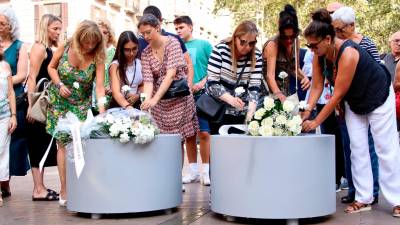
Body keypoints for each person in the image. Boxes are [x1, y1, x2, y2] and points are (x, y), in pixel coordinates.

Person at [302, 9, 400, 217]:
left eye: (314, 45)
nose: (311, 50)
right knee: (357, 148)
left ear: (328, 39)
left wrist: (315, 122)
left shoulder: (348, 52)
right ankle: (363, 198)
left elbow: (336, 95)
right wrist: (307, 110)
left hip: (377, 94)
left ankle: (397, 200)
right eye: (308, 46)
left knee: (385, 148)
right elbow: (317, 87)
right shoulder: (317, 56)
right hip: (353, 100)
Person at [47, 20, 106, 206]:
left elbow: (100, 88)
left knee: (82, 145)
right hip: (60, 103)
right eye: (86, 42)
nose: (89, 46)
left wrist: (102, 111)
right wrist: (59, 84)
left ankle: (83, 185)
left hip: (81, 105)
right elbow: (51, 67)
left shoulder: (98, 56)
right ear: (79, 38)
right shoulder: (65, 46)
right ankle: (64, 189)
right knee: (62, 145)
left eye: (93, 43)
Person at [138, 14, 199, 192]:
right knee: (163, 143)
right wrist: (148, 100)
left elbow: (172, 73)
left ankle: (175, 180)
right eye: (142, 34)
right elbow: (149, 81)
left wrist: (154, 98)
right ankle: (166, 178)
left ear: (158, 27)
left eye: (148, 32)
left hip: (179, 99)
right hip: (160, 104)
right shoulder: (146, 53)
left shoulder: (172, 42)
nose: (146, 37)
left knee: (177, 141)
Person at [331, 6, 380, 204]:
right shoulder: (337, 45)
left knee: (368, 148)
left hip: (366, 102)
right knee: (349, 148)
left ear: (352, 25)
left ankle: (373, 191)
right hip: (344, 103)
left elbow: (376, 71)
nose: (338, 33)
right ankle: (354, 191)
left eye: (341, 29)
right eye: (336, 30)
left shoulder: (367, 43)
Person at [26, 14, 61, 201]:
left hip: (45, 103)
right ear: (45, 27)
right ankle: (38, 189)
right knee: (37, 145)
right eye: (55, 28)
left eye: (59, 29)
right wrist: (31, 106)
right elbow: (32, 77)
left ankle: (41, 187)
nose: (58, 32)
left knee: (42, 143)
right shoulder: (39, 48)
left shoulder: (49, 48)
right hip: (37, 103)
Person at [174, 15, 212, 186]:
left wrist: (201, 83)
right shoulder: (175, 46)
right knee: (189, 135)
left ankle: (206, 172)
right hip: (183, 97)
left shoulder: (204, 45)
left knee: (204, 133)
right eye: (176, 29)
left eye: (181, 27)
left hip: (203, 95)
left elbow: (214, 68)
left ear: (191, 27)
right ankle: (193, 172)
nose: (178, 31)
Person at [207, 20, 262, 134]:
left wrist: (250, 117)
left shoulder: (257, 55)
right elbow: (212, 83)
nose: (247, 47)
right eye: (243, 42)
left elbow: (254, 87)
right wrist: (231, 100)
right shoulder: (220, 50)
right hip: (218, 111)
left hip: (240, 112)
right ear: (235, 37)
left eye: (251, 43)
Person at [0, 6, 30, 197]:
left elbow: (22, 74)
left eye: (2, 23)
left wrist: (4, 79)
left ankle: (5, 181)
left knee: (11, 145)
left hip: (13, 99)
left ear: (11, 25)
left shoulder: (20, 46)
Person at [138, 5, 194, 90]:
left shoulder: (174, 39)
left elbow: (189, 64)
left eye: (153, 22)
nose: (146, 36)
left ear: (160, 21)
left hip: (177, 93)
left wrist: (188, 86)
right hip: (151, 92)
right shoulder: (139, 43)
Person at [263, 4, 310, 102]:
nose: (289, 41)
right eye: (285, 37)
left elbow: (295, 69)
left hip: (286, 93)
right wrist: (279, 96)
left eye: (292, 37)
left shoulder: (296, 41)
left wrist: (304, 78)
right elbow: (269, 76)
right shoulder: (272, 44)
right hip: (268, 95)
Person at [0, 43, 17, 206]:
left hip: (4, 115)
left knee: (3, 151)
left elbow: (11, 91)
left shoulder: (5, 66)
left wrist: (13, 115)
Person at [109, 31, 143, 109]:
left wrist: (137, 95)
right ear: (121, 49)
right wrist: (128, 106)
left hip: (136, 105)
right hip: (119, 107)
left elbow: (142, 85)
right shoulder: (115, 65)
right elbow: (116, 92)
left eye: (134, 48)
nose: (131, 53)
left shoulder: (140, 63)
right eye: (127, 50)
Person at [92, 18, 116, 111]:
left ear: (110, 35)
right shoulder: (91, 51)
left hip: (107, 96)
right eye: (99, 32)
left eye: (105, 32)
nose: (102, 35)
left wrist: (112, 86)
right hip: (89, 97)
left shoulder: (114, 52)